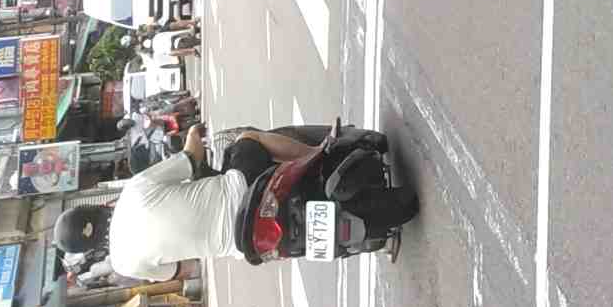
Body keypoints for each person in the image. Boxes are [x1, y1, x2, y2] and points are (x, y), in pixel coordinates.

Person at [71, 123, 415, 280]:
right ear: (99, 208)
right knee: (248, 138)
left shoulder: (125, 265)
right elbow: (192, 158)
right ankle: (321, 152)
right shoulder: (134, 191)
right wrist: (192, 133)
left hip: (247, 243)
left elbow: (183, 269)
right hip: (245, 188)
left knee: (284, 249)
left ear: (91, 250)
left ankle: (370, 242)